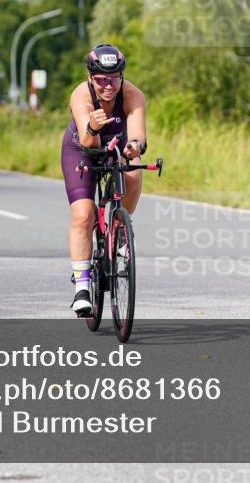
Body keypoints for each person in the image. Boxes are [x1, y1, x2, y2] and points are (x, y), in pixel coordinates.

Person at [61, 44, 147, 315]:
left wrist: (133, 146)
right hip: (82, 148)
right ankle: (82, 288)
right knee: (83, 214)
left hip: (115, 145)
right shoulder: (81, 96)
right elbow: (88, 142)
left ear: (121, 76)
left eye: (113, 79)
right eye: (101, 80)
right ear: (90, 77)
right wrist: (93, 125)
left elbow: (138, 136)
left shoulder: (132, 95)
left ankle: (121, 230)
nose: (108, 86)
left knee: (133, 173)